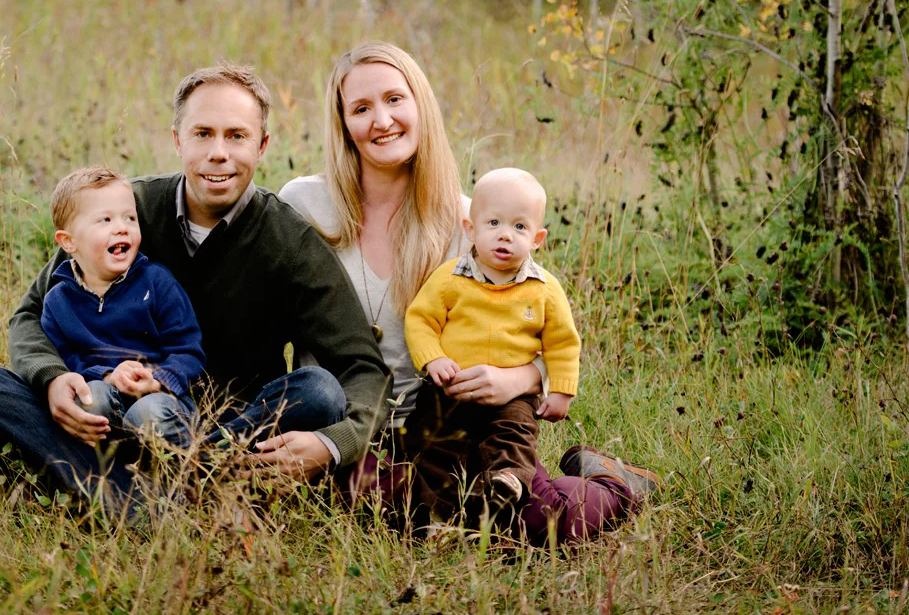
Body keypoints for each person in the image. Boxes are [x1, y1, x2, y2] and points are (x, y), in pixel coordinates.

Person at [0, 63, 390, 512]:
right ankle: (172, 495)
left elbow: (362, 367)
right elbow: (31, 313)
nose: (218, 153)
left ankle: (135, 488)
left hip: (232, 427)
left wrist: (334, 444)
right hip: (117, 411)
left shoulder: (289, 241)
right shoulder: (127, 212)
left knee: (320, 390)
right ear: (178, 139)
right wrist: (51, 378)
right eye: (203, 133)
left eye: (236, 136)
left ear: (262, 145)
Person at [279, 41, 657, 546]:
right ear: (343, 122)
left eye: (394, 99)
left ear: (420, 106)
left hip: (454, 427)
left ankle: (612, 481)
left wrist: (520, 378)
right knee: (371, 501)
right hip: (351, 430)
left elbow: (539, 323)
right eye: (361, 108)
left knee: (539, 524)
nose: (382, 120)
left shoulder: (472, 223)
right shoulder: (304, 204)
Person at [402, 167, 580, 530]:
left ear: (537, 239)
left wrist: (561, 391)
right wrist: (433, 358)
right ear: (471, 229)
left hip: (512, 396)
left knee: (514, 434)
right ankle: (439, 513)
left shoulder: (544, 290)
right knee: (433, 442)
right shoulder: (450, 278)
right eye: (494, 222)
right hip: (451, 387)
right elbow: (420, 320)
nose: (505, 235)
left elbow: (563, 343)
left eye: (519, 227)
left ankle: (505, 483)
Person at [39, 166, 205, 449]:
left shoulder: (156, 282)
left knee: (147, 413)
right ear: (68, 241)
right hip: (105, 393)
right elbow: (67, 360)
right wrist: (107, 376)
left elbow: (189, 351)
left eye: (130, 218)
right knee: (91, 399)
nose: (121, 227)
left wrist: (157, 380)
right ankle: (111, 460)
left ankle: (168, 461)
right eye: (105, 220)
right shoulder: (58, 302)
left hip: (161, 397)